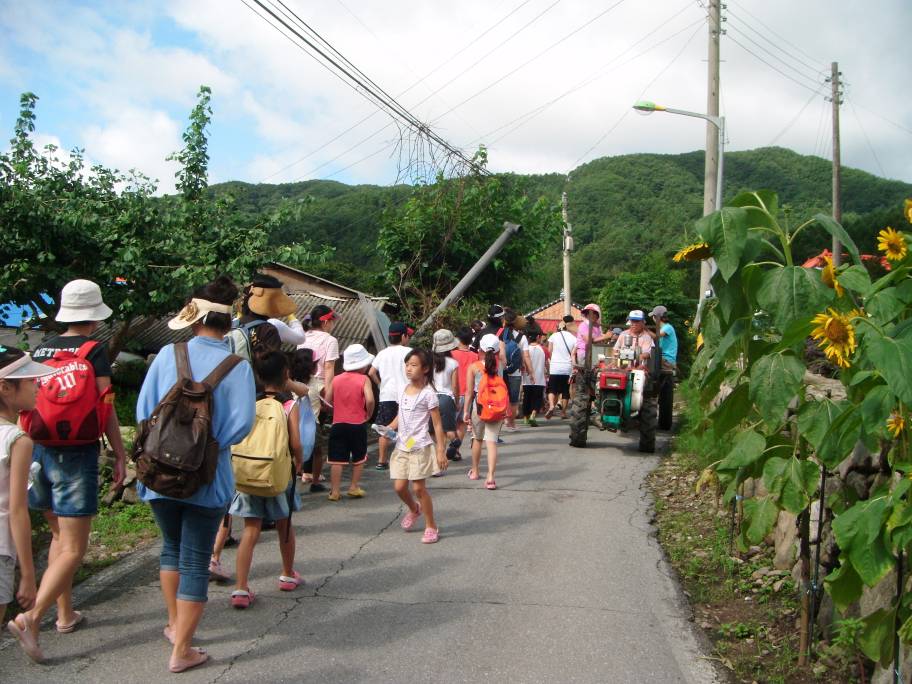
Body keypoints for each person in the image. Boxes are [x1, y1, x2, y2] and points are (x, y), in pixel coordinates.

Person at [136, 276, 255, 673]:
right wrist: (203, 446)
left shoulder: (169, 354)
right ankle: (182, 649)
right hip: (208, 478)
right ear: (229, 322)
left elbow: (144, 412)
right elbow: (239, 426)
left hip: (158, 474)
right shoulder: (237, 367)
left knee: (171, 550)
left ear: (194, 315)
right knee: (194, 560)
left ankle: (174, 625)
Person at [15, 280, 127, 660]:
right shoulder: (94, 351)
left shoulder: (41, 348)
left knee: (59, 538)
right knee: (75, 547)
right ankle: (32, 617)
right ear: (94, 319)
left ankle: (65, 614)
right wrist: (120, 452)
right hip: (76, 453)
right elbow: (106, 405)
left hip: (38, 449)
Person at [229, 351, 303, 609]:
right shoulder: (289, 405)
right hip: (278, 473)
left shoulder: (251, 402)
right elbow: (295, 442)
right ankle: (287, 574)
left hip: (249, 472)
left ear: (258, 376)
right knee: (284, 525)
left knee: (251, 530)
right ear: (286, 375)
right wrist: (299, 462)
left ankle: (240, 588)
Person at [2, 348, 54, 661]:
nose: (37, 386)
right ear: (6, 388)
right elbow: (17, 511)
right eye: (30, 380)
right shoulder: (17, 440)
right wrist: (29, 575)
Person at [383, 349, 447, 543]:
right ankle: (414, 509)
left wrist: (440, 451)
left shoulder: (429, 394)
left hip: (420, 446)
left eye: (413, 365)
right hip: (403, 445)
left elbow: (436, 424)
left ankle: (431, 526)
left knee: (419, 489)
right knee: (399, 487)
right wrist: (389, 428)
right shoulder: (403, 389)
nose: (408, 369)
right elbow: (401, 416)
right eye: (407, 365)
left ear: (425, 368)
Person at [298, 304, 341, 492]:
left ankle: (302, 470)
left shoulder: (302, 337)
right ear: (325, 322)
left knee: (299, 426)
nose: (332, 325)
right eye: (331, 321)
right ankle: (310, 473)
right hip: (319, 385)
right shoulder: (330, 340)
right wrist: (329, 395)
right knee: (315, 426)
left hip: (299, 383)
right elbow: (329, 367)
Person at [327, 344, 374, 501]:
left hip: (338, 424)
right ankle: (353, 487)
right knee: (359, 456)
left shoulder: (336, 379)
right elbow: (370, 399)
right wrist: (369, 413)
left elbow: (327, 401)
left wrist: (335, 409)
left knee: (336, 459)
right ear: (362, 365)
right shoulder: (364, 379)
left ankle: (334, 491)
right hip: (357, 424)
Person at [463, 334, 507, 490]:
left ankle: (475, 471)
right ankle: (490, 478)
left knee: (477, 439)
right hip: (496, 408)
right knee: (492, 442)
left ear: (480, 348)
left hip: (479, 407)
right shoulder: (499, 365)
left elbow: (469, 392)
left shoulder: (474, 367)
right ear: (496, 351)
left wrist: (465, 412)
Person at [369, 322, 412, 470]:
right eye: (408, 335)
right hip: (406, 395)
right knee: (408, 428)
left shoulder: (382, 353)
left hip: (386, 395)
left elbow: (371, 372)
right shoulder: (410, 352)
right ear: (403, 336)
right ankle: (406, 458)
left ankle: (382, 461)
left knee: (385, 429)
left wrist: (381, 385)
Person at [500, 310, 533, 432]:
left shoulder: (498, 334)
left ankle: (502, 420)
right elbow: (526, 356)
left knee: (501, 396)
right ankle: (511, 423)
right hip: (515, 372)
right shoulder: (521, 337)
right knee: (513, 400)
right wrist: (531, 371)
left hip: (499, 371)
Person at [431, 330, 460, 467]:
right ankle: (454, 443)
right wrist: (457, 401)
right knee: (449, 429)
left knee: (432, 431)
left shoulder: (428, 361)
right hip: (447, 398)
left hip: (431, 398)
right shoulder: (453, 363)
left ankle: (435, 459)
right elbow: (455, 386)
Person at [449, 327, 477, 460]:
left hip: (453, 393)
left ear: (458, 338)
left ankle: (449, 446)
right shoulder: (475, 356)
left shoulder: (450, 354)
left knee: (449, 424)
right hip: (468, 395)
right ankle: (455, 450)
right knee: (462, 423)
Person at [546, 319, 576, 419]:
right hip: (567, 367)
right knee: (565, 391)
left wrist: (553, 359)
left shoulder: (553, 336)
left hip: (555, 366)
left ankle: (551, 406)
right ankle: (563, 412)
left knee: (552, 389)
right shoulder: (573, 338)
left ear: (558, 328)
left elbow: (549, 351)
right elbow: (573, 354)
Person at [522, 330, 547, 427]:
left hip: (527, 378)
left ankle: (525, 418)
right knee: (537, 398)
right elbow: (546, 362)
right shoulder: (543, 349)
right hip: (539, 378)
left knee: (527, 398)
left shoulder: (526, 349)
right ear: (537, 337)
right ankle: (533, 415)